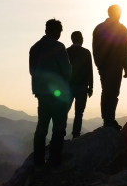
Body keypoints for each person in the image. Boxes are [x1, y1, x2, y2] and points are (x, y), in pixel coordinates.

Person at [29, 19, 72, 168]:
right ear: (55, 31)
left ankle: (38, 162)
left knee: (42, 127)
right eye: (59, 32)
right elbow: (67, 70)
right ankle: (54, 161)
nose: (60, 35)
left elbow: (32, 71)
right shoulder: (58, 47)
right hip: (57, 94)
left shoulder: (34, 48)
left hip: (41, 93)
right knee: (59, 127)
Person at [93, 5, 127, 130]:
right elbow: (126, 48)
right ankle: (109, 119)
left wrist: (99, 65)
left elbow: (95, 49)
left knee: (107, 91)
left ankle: (107, 118)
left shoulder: (99, 28)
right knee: (113, 92)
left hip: (106, 66)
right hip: (115, 65)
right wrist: (126, 66)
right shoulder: (121, 28)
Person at [66, 31, 94, 139]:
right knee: (79, 113)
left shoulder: (67, 52)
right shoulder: (86, 53)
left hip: (68, 86)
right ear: (81, 39)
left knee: (64, 112)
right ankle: (76, 135)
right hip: (82, 86)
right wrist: (91, 87)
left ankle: (60, 134)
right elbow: (89, 71)